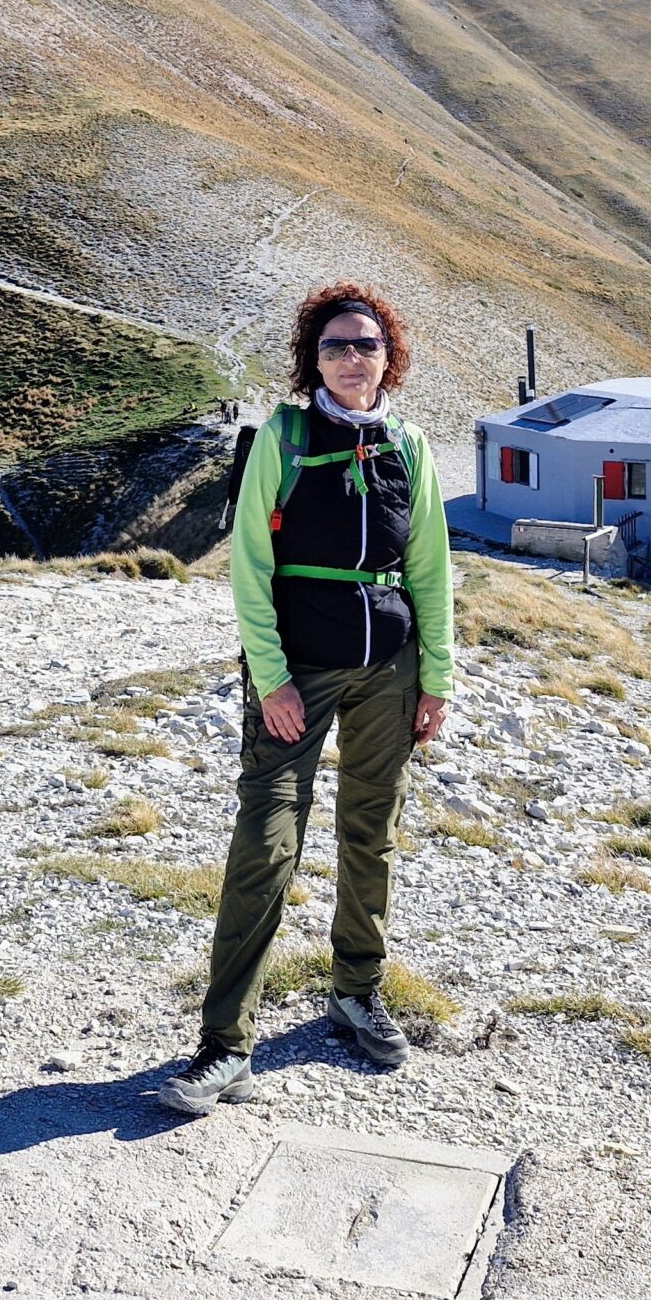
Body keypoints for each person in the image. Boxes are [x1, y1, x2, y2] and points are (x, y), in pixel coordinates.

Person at [158, 283, 456, 1118]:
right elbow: (250, 565)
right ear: (311, 359)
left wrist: (438, 679)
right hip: (298, 671)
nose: (351, 357)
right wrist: (273, 674)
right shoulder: (283, 440)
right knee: (266, 844)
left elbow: (430, 569)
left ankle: (357, 993)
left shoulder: (410, 446)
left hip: (388, 670)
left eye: (365, 344)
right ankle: (226, 1046)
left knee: (373, 832)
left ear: (389, 357)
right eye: (334, 346)